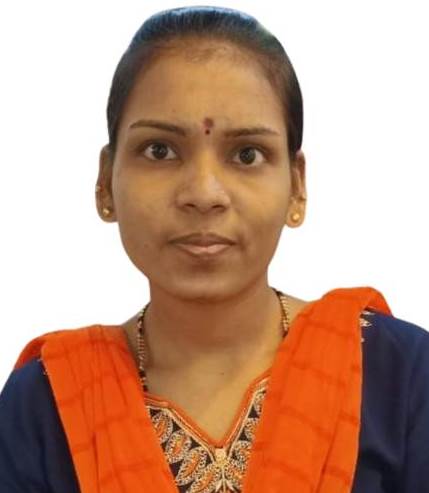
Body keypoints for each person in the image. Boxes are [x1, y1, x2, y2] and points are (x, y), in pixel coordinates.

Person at [1, 6, 428, 493]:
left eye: (247, 154)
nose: (204, 193)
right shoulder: (44, 404)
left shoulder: (401, 377)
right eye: (160, 150)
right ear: (105, 183)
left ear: (296, 187)